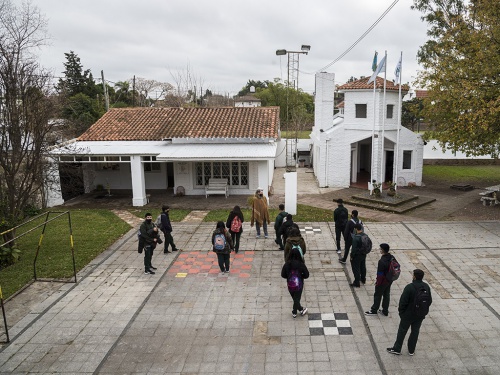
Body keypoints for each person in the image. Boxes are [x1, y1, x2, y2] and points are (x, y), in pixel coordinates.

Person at [387, 269, 433, 356]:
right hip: (420, 314)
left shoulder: (409, 287)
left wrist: (401, 313)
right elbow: (429, 301)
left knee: (402, 331)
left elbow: (403, 302)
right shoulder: (426, 286)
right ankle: (411, 350)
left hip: (408, 314)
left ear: (414, 276)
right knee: (415, 331)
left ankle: (397, 348)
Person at [365, 243, 393, 316]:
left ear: (382, 250)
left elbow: (380, 274)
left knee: (378, 295)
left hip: (383, 281)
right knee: (386, 294)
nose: (379, 250)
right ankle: (385, 310)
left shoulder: (382, 261)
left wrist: (378, 283)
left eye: (380, 249)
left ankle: (374, 310)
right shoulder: (391, 257)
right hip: (390, 279)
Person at [281, 247, 309, 318]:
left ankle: (299, 310)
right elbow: (307, 275)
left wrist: (288, 277)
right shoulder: (301, 264)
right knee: (297, 298)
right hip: (299, 283)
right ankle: (295, 311)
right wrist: (302, 276)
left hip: (290, 284)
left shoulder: (287, 264)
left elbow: (283, 275)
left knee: (294, 298)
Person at [349, 223, 367, 287]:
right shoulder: (365, 235)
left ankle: (357, 282)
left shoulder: (356, 238)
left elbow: (353, 249)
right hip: (363, 254)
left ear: (356, 229)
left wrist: (351, 256)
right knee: (363, 266)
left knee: (356, 269)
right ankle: (363, 279)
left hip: (357, 255)